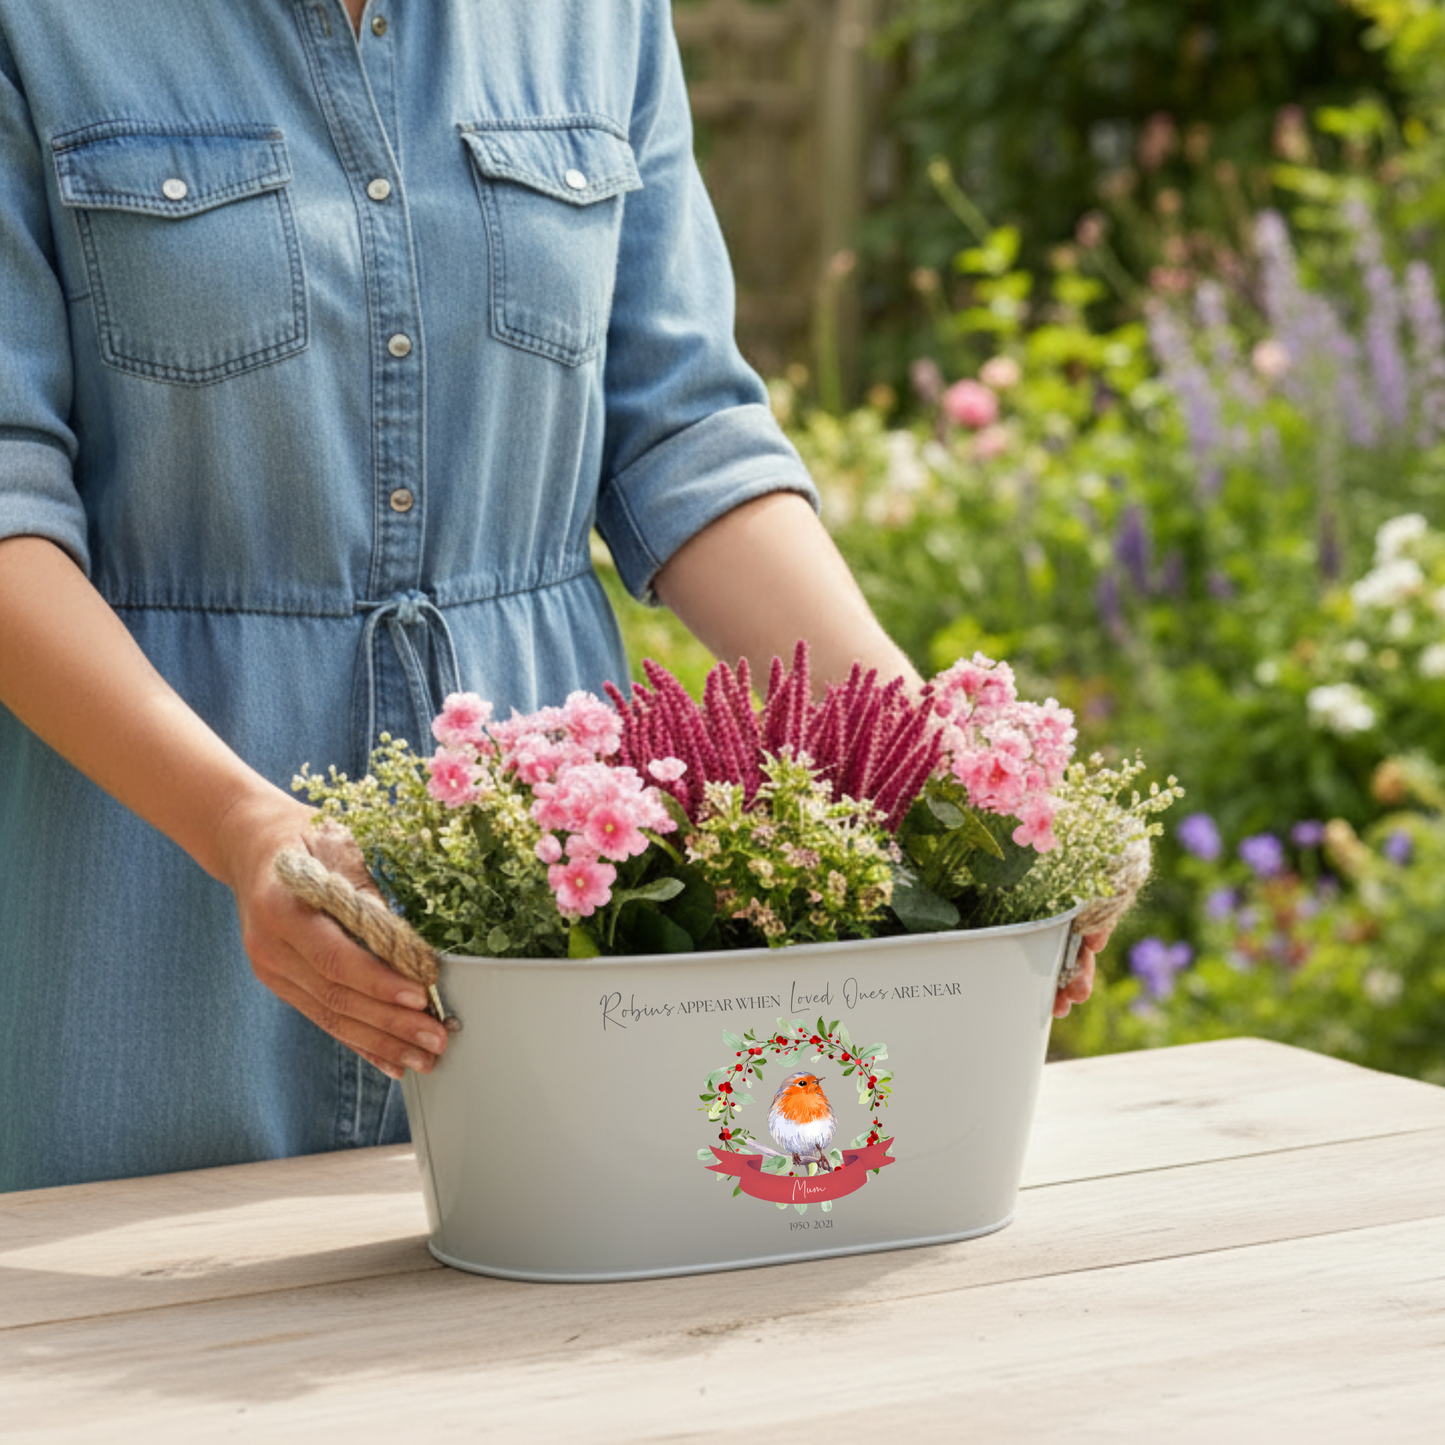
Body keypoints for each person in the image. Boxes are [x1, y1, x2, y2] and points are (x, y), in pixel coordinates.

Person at [0, 0, 1098, 1193]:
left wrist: (934, 768)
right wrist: (244, 829)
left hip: (558, 911)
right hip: (143, 885)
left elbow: (680, 437)